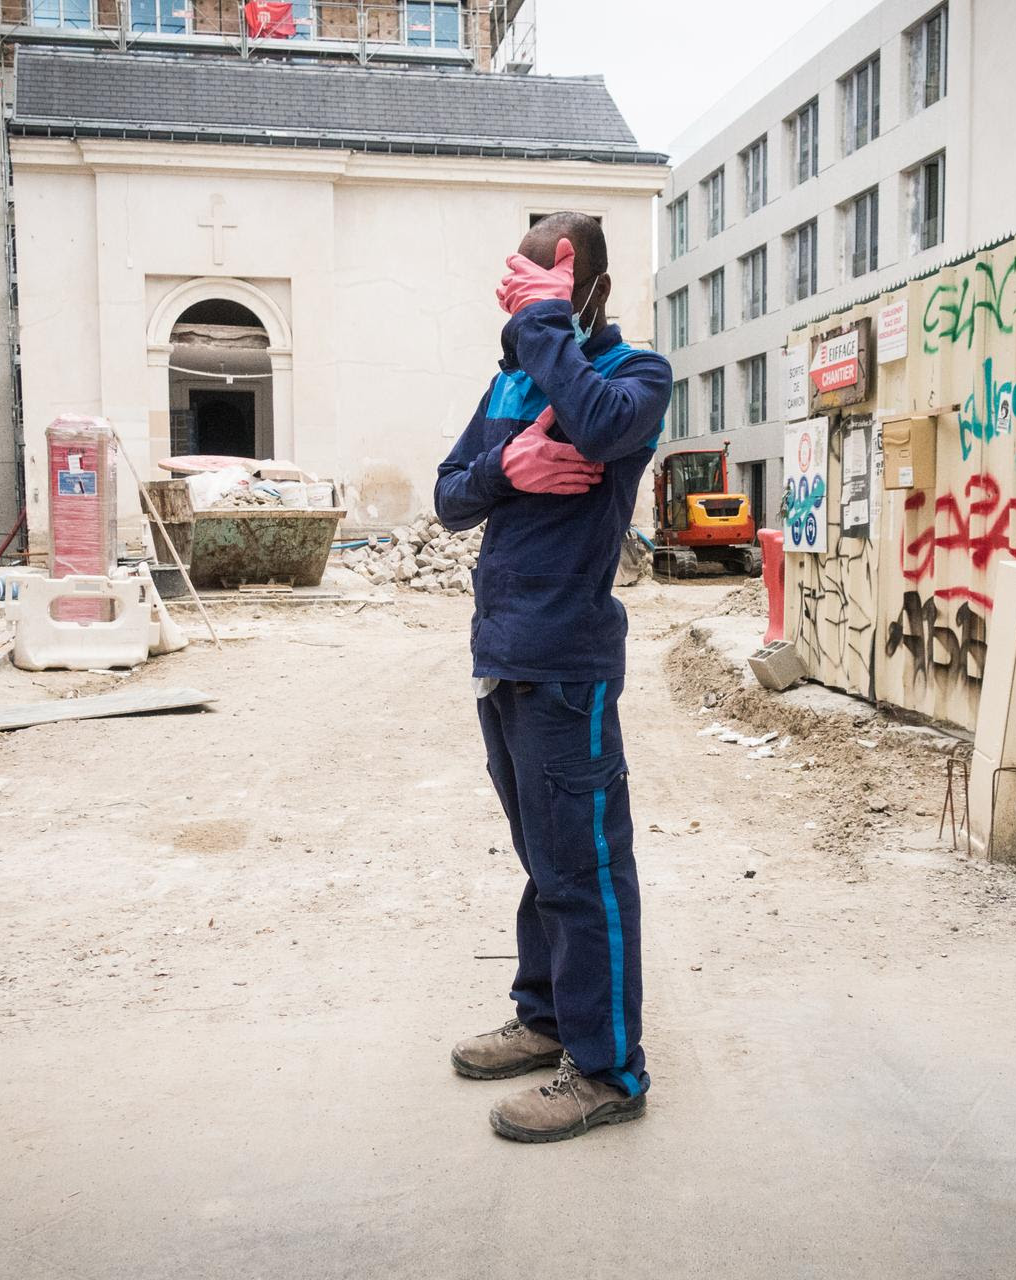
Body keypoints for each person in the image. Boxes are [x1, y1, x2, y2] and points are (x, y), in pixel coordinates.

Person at [434, 213, 673, 1143]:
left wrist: (544, 325)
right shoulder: (512, 382)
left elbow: (605, 428)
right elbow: (453, 493)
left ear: (587, 292)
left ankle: (608, 1071)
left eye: (541, 290)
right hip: (500, 657)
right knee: (543, 859)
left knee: (587, 868)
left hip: (568, 661)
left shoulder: (631, 377)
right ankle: (545, 1018)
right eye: (518, 290)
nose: (520, 309)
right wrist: (511, 464)